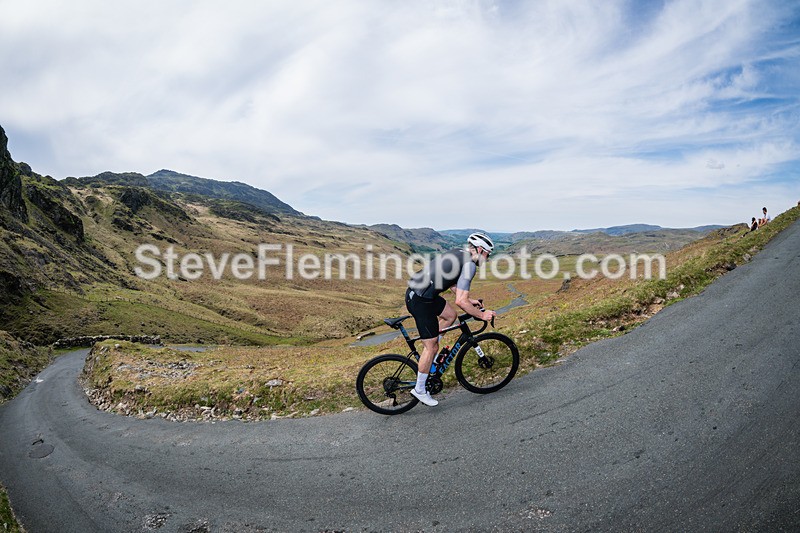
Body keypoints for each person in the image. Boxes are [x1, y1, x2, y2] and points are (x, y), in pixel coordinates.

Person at [404, 232, 497, 406]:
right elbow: (460, 301)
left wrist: (469, 300)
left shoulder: (458, 252)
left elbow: (453, 283)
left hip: (421, 293)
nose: (487, 258)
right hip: (421, 300)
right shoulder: (470, 265)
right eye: (487, 254)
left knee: (450, 316)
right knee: (431, 347)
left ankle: (431, 353)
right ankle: (420, 390)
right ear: (479, 249)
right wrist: (483, 315)